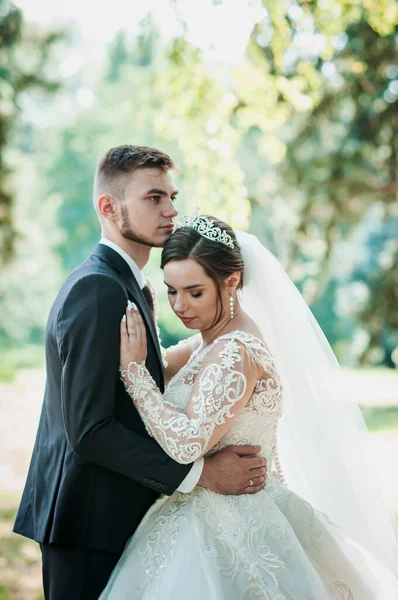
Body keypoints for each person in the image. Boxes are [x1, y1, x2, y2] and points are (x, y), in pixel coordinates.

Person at [13, 147, 267, 600]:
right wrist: (201, 476)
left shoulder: (129, 285)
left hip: (118, 518)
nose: (171, 209)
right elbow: (90, 430)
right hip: (90, 523)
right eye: (153, 198)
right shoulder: (98, 289)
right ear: (108, 207)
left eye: (172, 195)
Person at [101, 214, 398, 599]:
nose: (181, 306)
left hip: (231, 522)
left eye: (195, 292)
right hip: (198, 512)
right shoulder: (208, 342)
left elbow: (188, 443)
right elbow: (166, 368)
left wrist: (133, 374)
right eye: (172, 290)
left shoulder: (235, 350)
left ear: (232, 281)